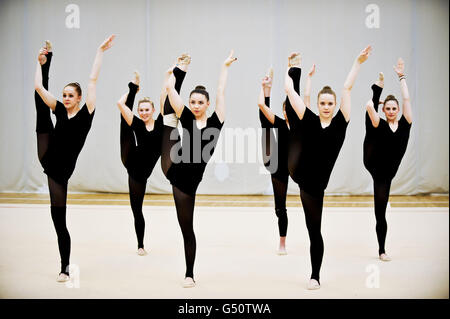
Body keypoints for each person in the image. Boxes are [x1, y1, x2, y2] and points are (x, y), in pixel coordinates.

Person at [284, 46, 371, 289]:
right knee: (297, 126)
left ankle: (315, 276)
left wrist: (358, 62)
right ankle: (289, 159)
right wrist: (288, 67)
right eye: (322, 102)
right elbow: (290, 90)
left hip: (315, 188)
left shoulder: (340, 124)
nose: (325, 106)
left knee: (315, 232)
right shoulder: (310, 119)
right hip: (301, 173)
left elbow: (346, 88)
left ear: (334, 105)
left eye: (329, 103)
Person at [34, 35, 115, 282]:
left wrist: (100, 51)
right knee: (41, 106)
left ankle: (64, 267)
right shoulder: (59, 109)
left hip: (61, 171)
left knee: (59, 220)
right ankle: (49, 58)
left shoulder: (86, 114)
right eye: (64, 95)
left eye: (70, 95)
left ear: (79, 98)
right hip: (47, 154)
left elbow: (92, 80)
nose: (66, 98)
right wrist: (39, 63)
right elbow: (39, 88)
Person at [162, 51, 237, 288]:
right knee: (167, 119)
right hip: (174, 170)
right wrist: (172, 73)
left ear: (207, 104)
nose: (195, 105)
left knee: (187, 229)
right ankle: (189, 274)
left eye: (199, 102)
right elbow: (172, 94)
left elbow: (221, 92)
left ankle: (189, 273)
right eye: (192, 101)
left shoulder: (217, 120)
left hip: (192, 180)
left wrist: (225, 67)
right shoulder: (186, 118)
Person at [363, 58, 412, 262]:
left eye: (394, 109)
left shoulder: (405, 124)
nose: (391, 111)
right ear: (384, 110)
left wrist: (401, 76)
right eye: (388, 109)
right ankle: (382, 250)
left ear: (398, 110)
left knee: (381, 211)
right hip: (376, 166)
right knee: (380, 212)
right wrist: (375, 100)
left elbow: (407, 100)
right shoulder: (381, 123)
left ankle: (381, 248)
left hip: (389, 171)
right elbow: (369, 108)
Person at [116, 71, 163, 256]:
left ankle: (134, 90)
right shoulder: (137, 123)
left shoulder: (160, 123)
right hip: (131, 161)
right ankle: (140, 245)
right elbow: (120, 104)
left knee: (138, 208)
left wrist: (169, 75)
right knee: (136, 209)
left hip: (144, 172)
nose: (143, 112)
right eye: (141, 110)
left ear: (152, 110)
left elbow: (163, 98)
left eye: (146, 109)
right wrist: (132, 89)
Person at [257, 68, 290, 255]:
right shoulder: (278, 122)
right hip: (279, 166)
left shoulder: (302, 125)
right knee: (280, 207)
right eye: (286, 110)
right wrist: (265, 88)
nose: (288, 113)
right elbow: (262, 107)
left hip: (298, 166)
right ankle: (282, 242)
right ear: (284, 111)